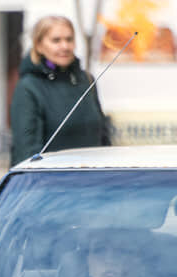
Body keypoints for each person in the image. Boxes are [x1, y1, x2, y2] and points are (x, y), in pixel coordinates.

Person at [9, 15, 110, 166]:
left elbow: (103, 138)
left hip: (94, 183)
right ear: (39, 45)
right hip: (51, 184)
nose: (65, 46)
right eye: (56, 40)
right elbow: (26, 152)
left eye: (69, 39)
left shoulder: (86, 80)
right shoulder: (29, 87)